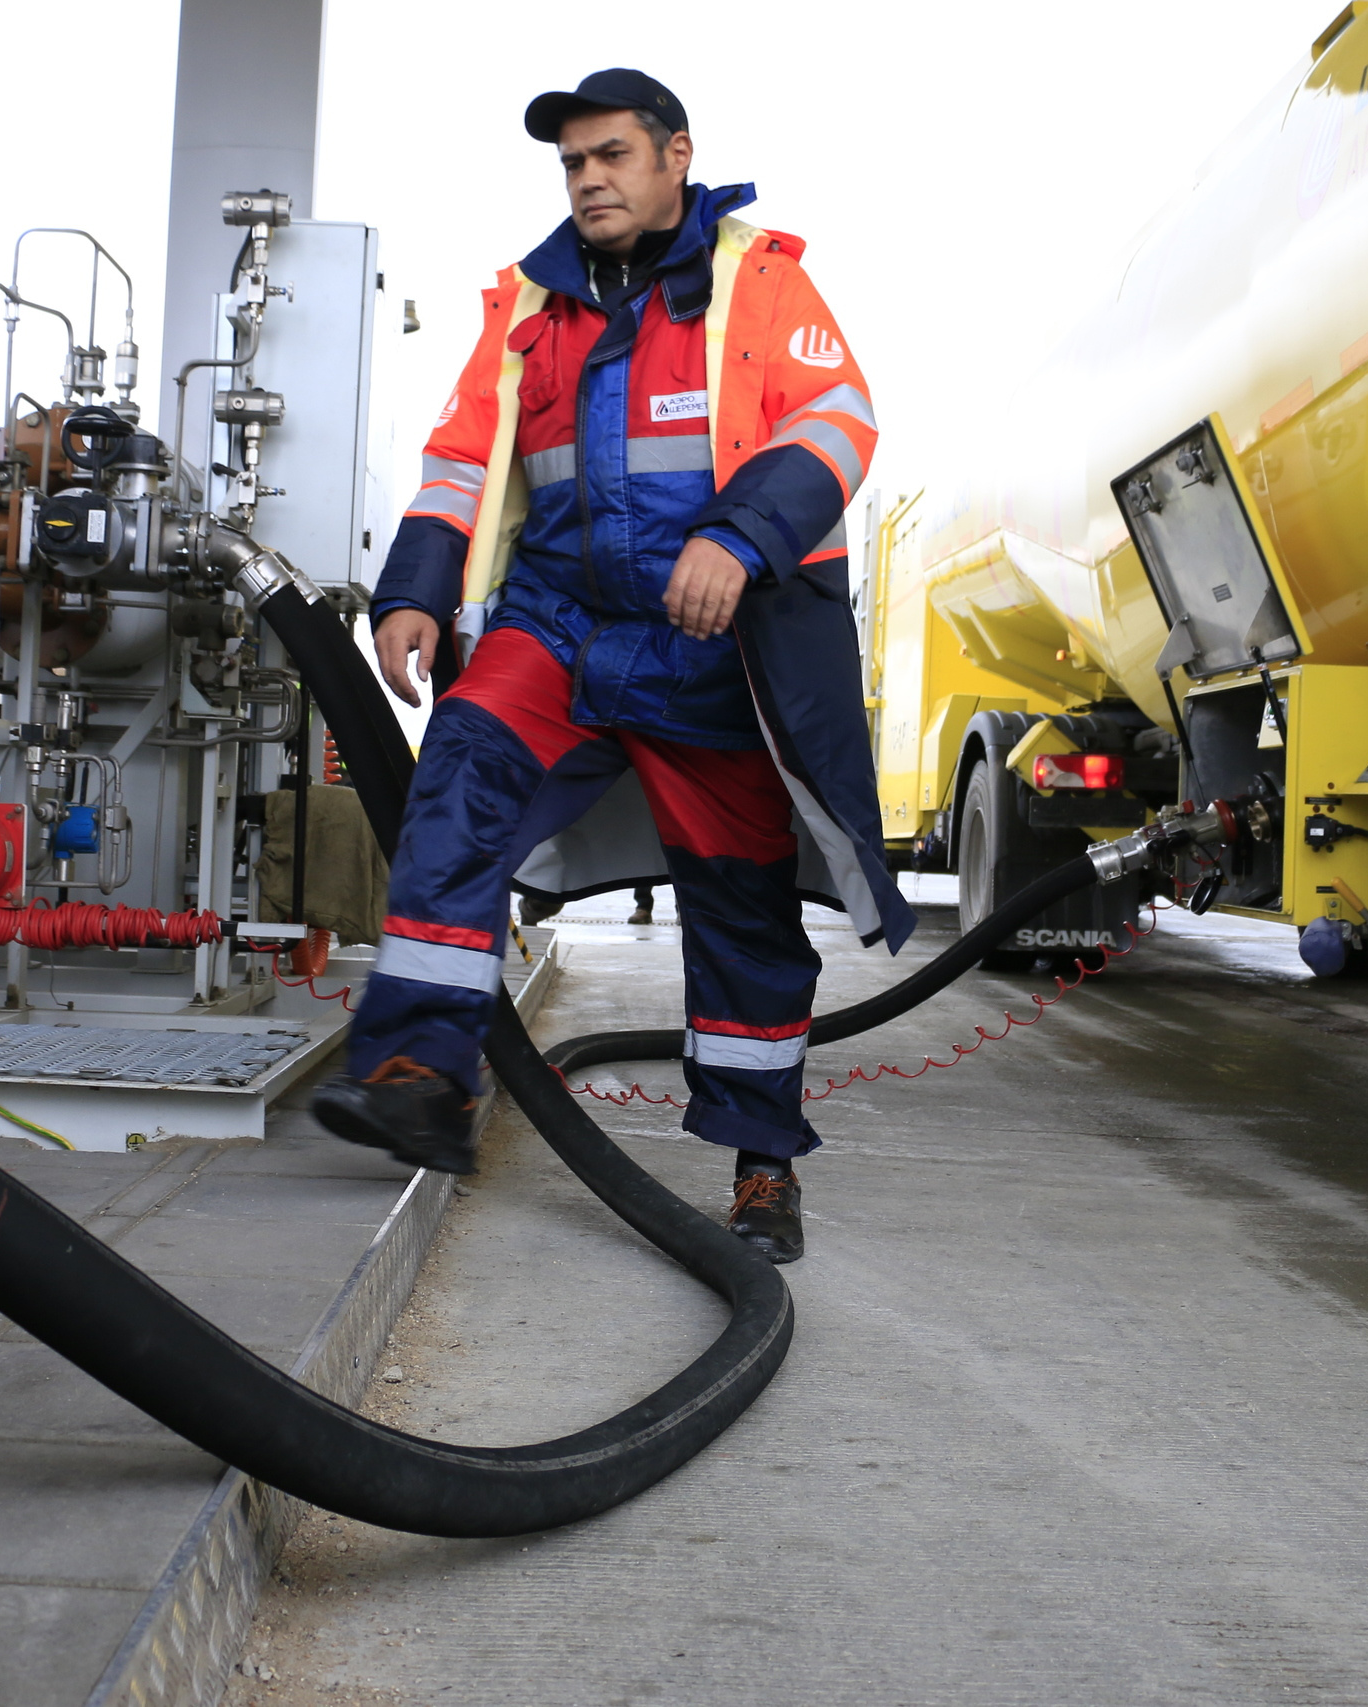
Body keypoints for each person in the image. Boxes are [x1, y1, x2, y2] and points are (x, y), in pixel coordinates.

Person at [313, 70, 910, 1264]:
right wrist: (413, 590)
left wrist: (738, 537)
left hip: (711, 649)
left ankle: (762, 1167)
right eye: (572, 163)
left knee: (741, 908)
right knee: (460, 771)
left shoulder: (758, 280)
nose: (588, 179)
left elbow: (835, 421)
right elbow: (461, 462)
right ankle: (420, 1075)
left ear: (675, 155)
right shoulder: (528, 305)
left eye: (611, 156)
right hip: (561, 624)